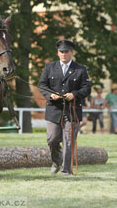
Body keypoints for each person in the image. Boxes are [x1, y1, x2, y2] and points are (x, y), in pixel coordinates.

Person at [38, 39, 91, 175]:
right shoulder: (49, 67)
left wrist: (74, 94)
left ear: (71, 53)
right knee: (52, 139)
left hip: (72, 110)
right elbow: (42, 85)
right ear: (58, 53)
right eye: (61, 52)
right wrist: (51, 94)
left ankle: (66, 170)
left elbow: (87, 88)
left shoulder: (81, 69)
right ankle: (56, 161)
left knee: (68, 141)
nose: (63, 54)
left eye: (66, 52)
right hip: (54, 109)